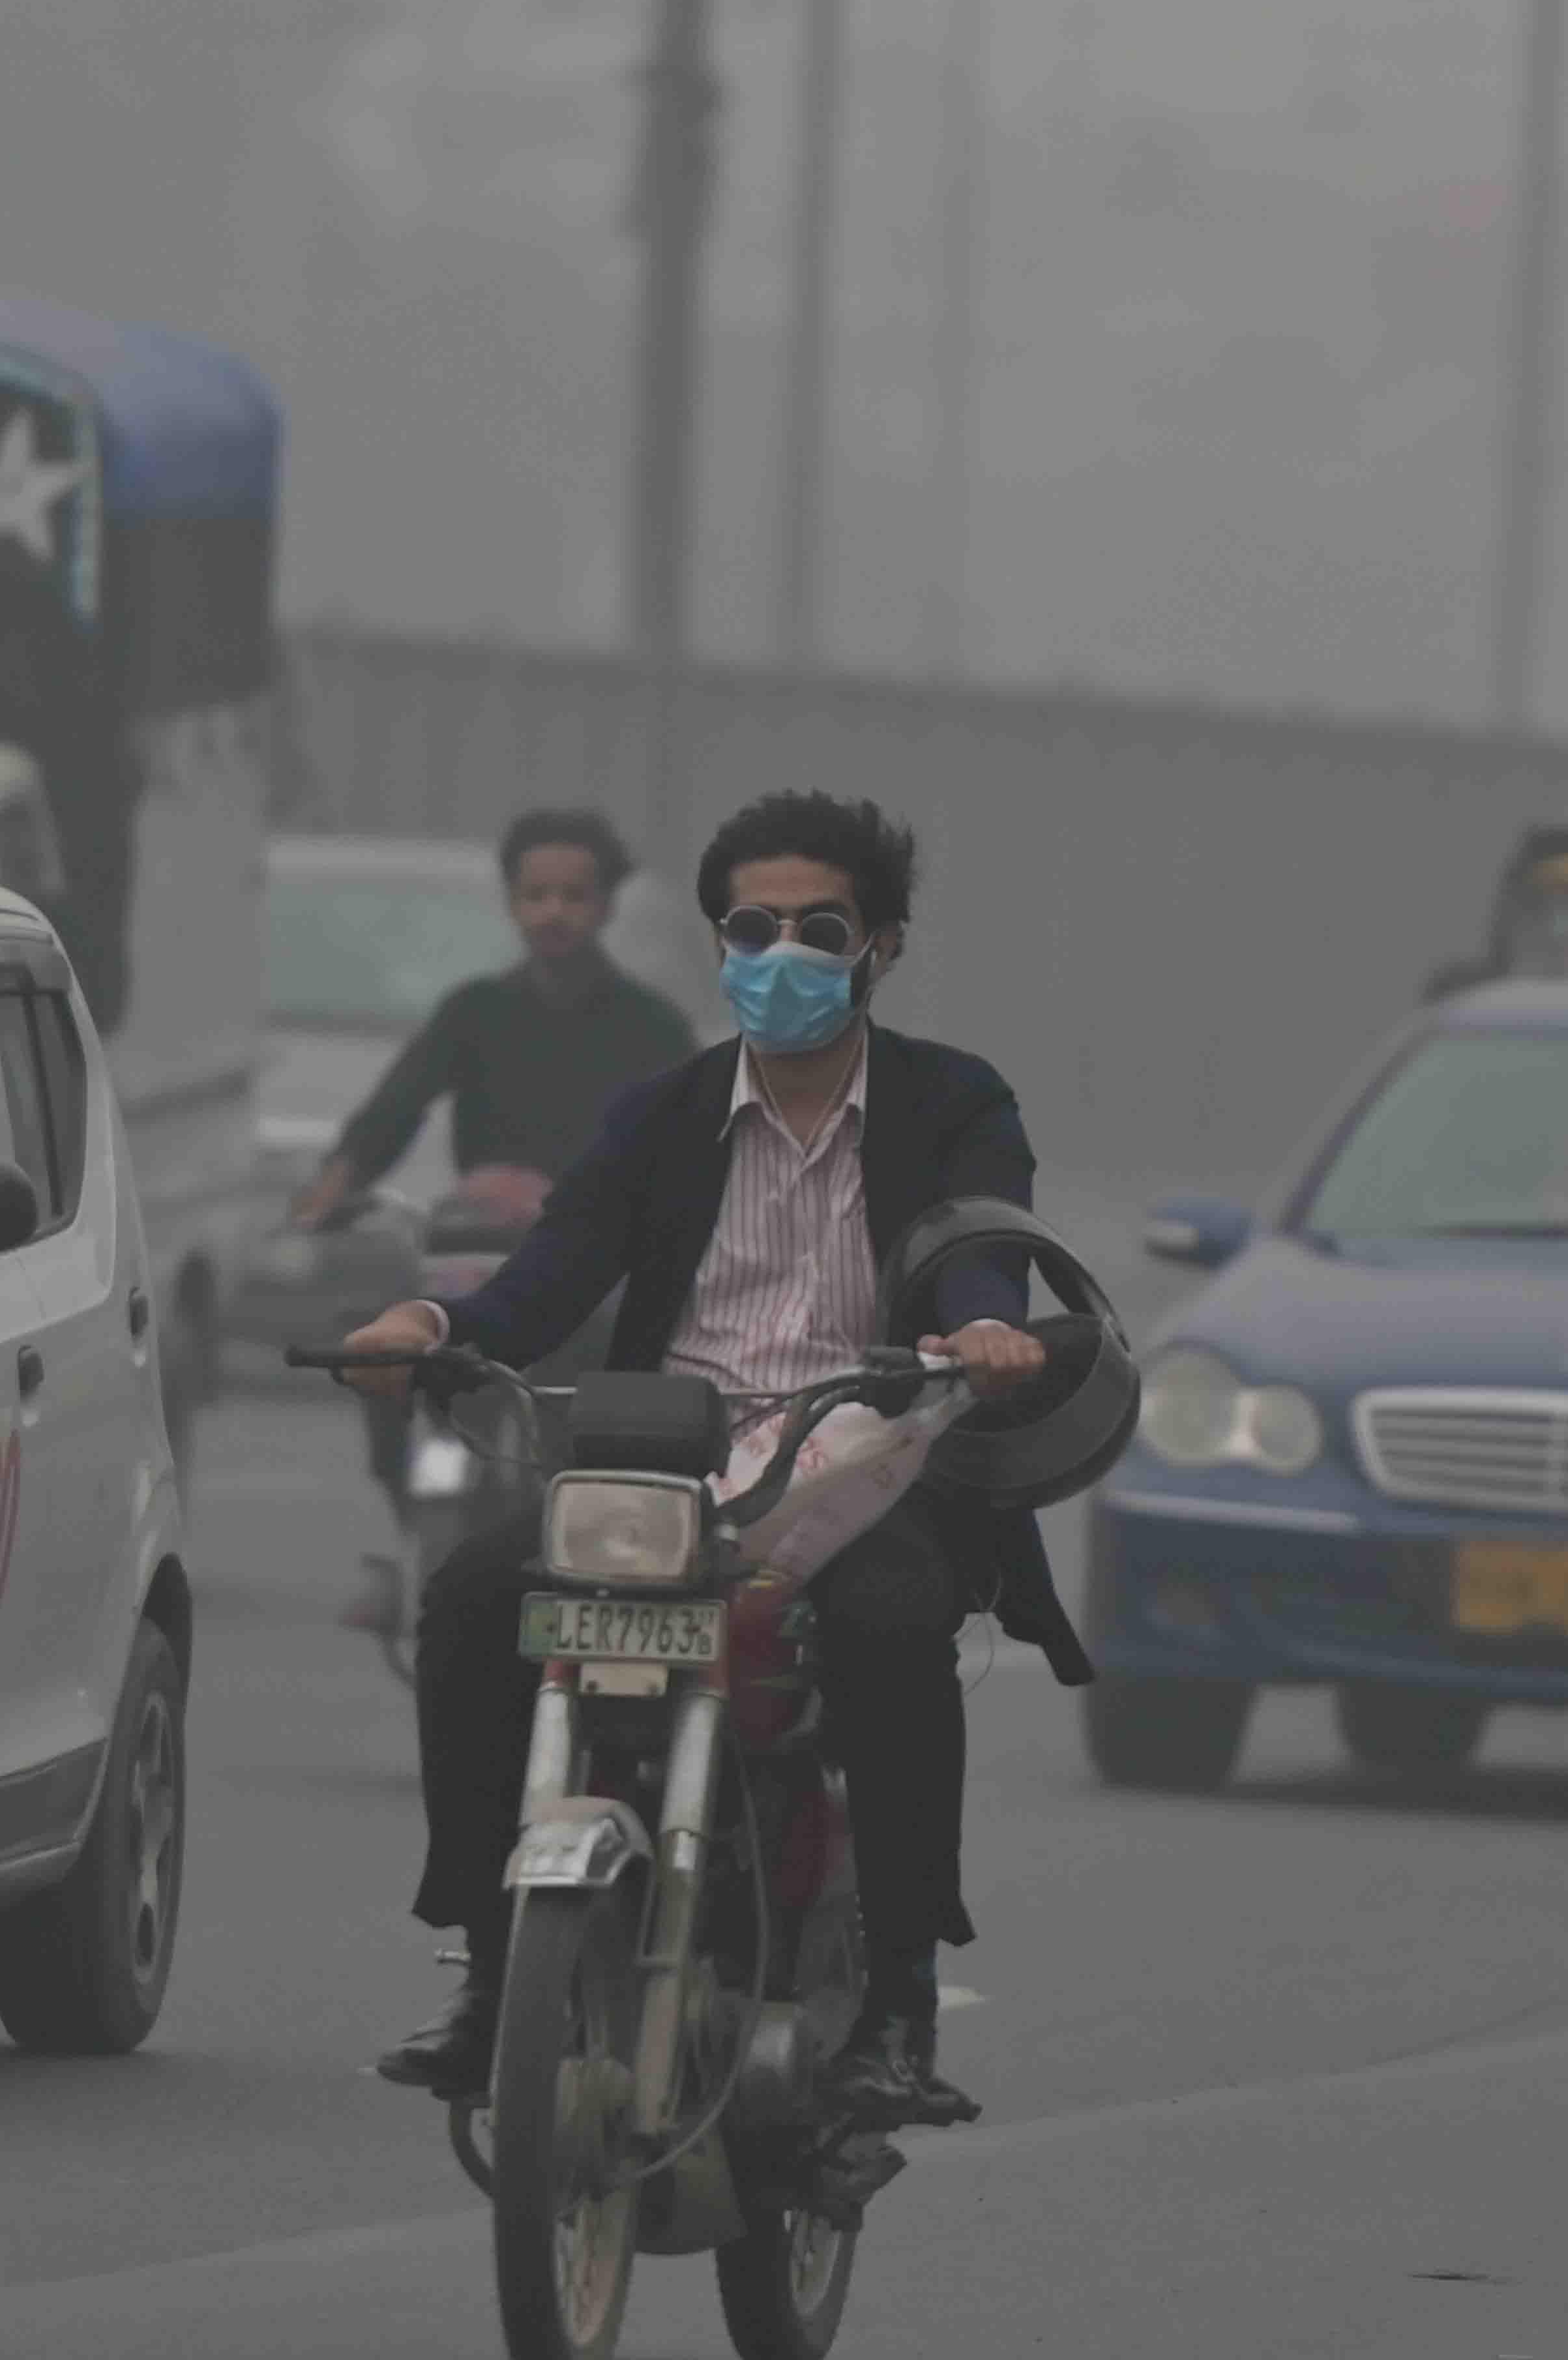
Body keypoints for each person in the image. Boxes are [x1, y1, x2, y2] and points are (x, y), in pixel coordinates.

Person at [325, 790, 1065, 2128]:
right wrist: (428, 1324)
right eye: (752, 925)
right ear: (719, 943)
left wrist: (987, 1325)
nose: (782, 951)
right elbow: (547, 1275)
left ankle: (896, 2000)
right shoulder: (659, 1112)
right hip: (668, 1461)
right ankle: (498, 1971)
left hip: (870, 1450)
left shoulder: (957, 1099)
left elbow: (978, 1241)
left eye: (818, 925)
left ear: (881, 944)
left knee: (893, 1624)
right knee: (481, 1595)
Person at [289, 809, 696, 1514]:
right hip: (473, 1251)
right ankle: (414, 1506)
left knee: (596, 1410)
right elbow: (396, 1109)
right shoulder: (474, 1011)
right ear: (512, 902)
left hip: (595, 1268)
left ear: (604, 906)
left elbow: (691, 1146)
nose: (554, 912)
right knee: (387, 1349)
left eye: (574, 896)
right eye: (536, 895)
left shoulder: (655, 1027)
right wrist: (328, 1195)